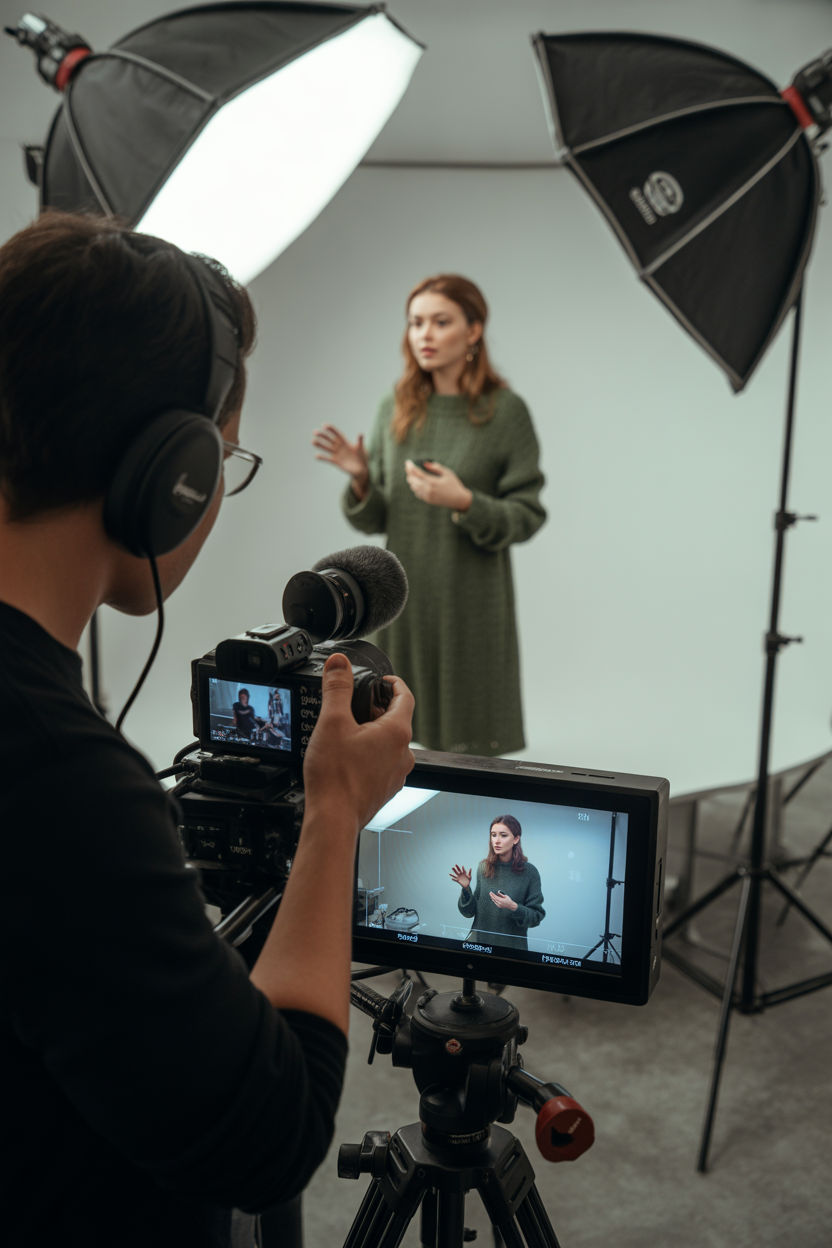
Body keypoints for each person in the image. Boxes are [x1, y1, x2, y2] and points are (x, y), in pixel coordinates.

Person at [0, 211, 415, 1247]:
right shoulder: (54, 777)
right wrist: (333, 815)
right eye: (223, 462)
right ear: (172, 474)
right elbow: (262, 1141)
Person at [312, 274, 546, 756]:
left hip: (472, 605)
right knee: (392, 732)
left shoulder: (505, 412)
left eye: (441, 322)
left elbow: (527, 515)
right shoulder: (396, 407)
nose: (425, 334)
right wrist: (360, 478)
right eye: (416, 322)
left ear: (474, 330)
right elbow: (375, 517)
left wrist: (464, 501)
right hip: (403, 601)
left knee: (467, 745)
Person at [450, 815, 544, 952]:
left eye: (503, 835)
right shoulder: (484, 867)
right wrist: (466, 889)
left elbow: (536, 917)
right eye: (493, 835)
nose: (497, 841)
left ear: (516, 839)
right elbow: (469, 912)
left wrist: (513, 907)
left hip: (511, 952)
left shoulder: (530, 872)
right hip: (479, 947)